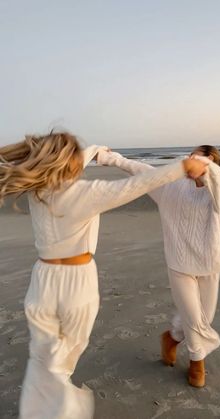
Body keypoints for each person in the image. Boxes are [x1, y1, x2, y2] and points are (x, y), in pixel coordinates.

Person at [0, 131, 206, 418]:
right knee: (66, 357)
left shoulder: (40, 188)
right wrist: (182, 168)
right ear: (68, 162)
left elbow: (70, 166)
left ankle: (40, 406)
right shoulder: (84, 194)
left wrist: (95, 150)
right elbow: (135, 185)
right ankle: (56, 409)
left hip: (42, 281)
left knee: (43, 356)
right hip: (76, 284)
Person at [97, 144, 220, 388]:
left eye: (202, 162)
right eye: (191, 159)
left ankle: (171, 337)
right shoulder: (170, 187)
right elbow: (141, 170)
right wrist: (112, 158)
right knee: (194, 318)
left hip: (210, 263)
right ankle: (196, 362)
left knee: (205, 317)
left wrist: (205, 167)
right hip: (180, 263)